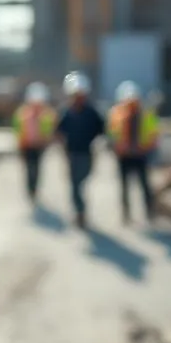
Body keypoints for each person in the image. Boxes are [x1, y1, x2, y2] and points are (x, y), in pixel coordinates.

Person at [55, 71, 107, 228]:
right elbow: (58, 131)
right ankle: (80, 213)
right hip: (72, 154)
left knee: (80, 183)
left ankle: (81, 211)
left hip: (86, 153)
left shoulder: (92, 113)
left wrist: (99, 144)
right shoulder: (67, 112)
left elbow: (102, 130)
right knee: (75, 185)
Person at [107, 80, 159, 224]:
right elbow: (112, 135)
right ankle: (126, 213)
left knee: (144, 184)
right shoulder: (116, 114)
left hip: (140, 155)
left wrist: (148, 147)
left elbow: (154, 135)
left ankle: (149, 212)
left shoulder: (147, 114)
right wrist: (116, 148)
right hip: (124, 156)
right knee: (124, 185)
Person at [12, 81, 58, 204]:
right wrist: (19, 142)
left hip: (39, 146)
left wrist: (47, 140)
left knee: (36, 169)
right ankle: (30, 190)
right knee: (29, 169)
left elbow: (49, 129)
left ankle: (34, 189)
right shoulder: (22, 113)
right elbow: (17, 129)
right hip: (26, 146)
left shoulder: (47, 114)